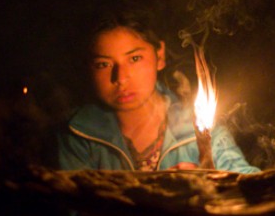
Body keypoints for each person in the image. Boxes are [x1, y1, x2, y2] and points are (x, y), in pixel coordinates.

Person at [57, 14, 259, 174]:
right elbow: (72, 215)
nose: (121, 77)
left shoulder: (202, 129)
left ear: (159, 56)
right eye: (103, 64)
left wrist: (214, 188)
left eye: (135, 58)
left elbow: (251, 189)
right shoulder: (79, 134)